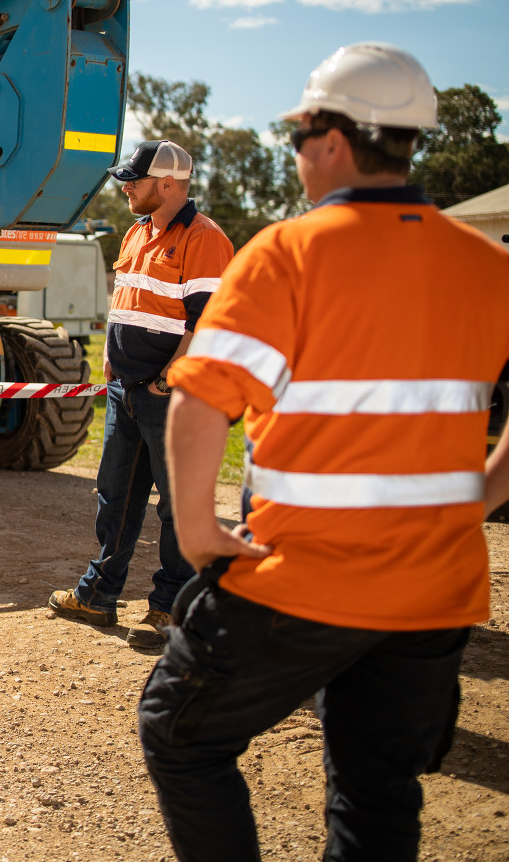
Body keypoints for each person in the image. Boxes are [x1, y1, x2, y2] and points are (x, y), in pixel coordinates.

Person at [140, 43, 509, 862]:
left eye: (300, 136)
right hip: (436, 586)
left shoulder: (287, 253)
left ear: (333, 139)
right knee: (378, 788)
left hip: (306, 572)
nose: (298, 153)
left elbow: (201, 399)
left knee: (179, 733)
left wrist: (197, 532)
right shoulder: (488, 266)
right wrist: (478, 498)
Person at [49, 141, 234, 649]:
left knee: (178, 507)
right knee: (117, 498)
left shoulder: (205, 238)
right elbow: (127, 301)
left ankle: (172, 608)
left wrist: (167, 379)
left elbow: (210, 321)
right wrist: (113, 359)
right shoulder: (137, 231)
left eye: (135, 180)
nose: (126, 188)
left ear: (168, 184)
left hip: (172, 396)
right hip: (125, 390)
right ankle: (98, 596)